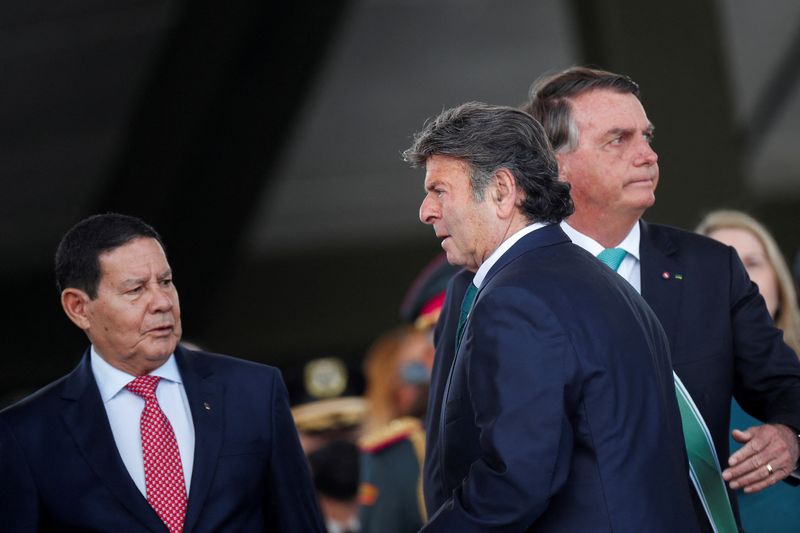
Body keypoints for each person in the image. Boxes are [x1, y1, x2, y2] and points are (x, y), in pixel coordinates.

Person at [525, 66, 800, 532]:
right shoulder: (513, 280)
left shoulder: (711, 267)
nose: (648, 155)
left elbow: (784, 383)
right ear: (556, 163)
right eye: (619, 139)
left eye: (647, 136)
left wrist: (789, 435)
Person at [404, 101, 700, 531]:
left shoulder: (515, 299)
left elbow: (516, 480)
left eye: (439, 191)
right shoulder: (605, 281)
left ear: (503, 191)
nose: (426, 211)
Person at [0, 213, 324, 532]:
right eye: (136, 290)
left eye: (166, 282)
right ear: (78, 308)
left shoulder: (254, 391)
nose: (162, 302)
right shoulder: (27, 434)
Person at [697, 209, 800, 532]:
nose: (738, 278)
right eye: (721, 265)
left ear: (779, 281)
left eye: (752, 263)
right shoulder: (671, 383)